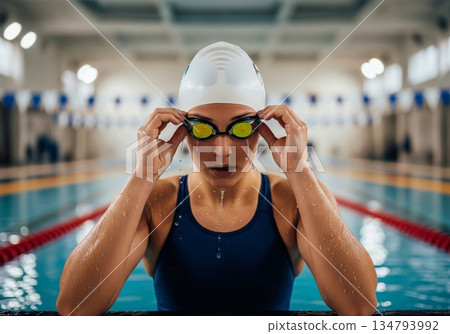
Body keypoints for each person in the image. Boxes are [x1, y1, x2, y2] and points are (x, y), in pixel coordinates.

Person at [57, 42, 377, 315]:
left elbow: (359, 307)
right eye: (202, 129)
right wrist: (141, 177)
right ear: (182, 128)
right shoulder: (157, 200)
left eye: (240, 128)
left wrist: (300, 171)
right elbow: (75, 306)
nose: (222, 150)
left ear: (261, 127)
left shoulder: (293, 199)